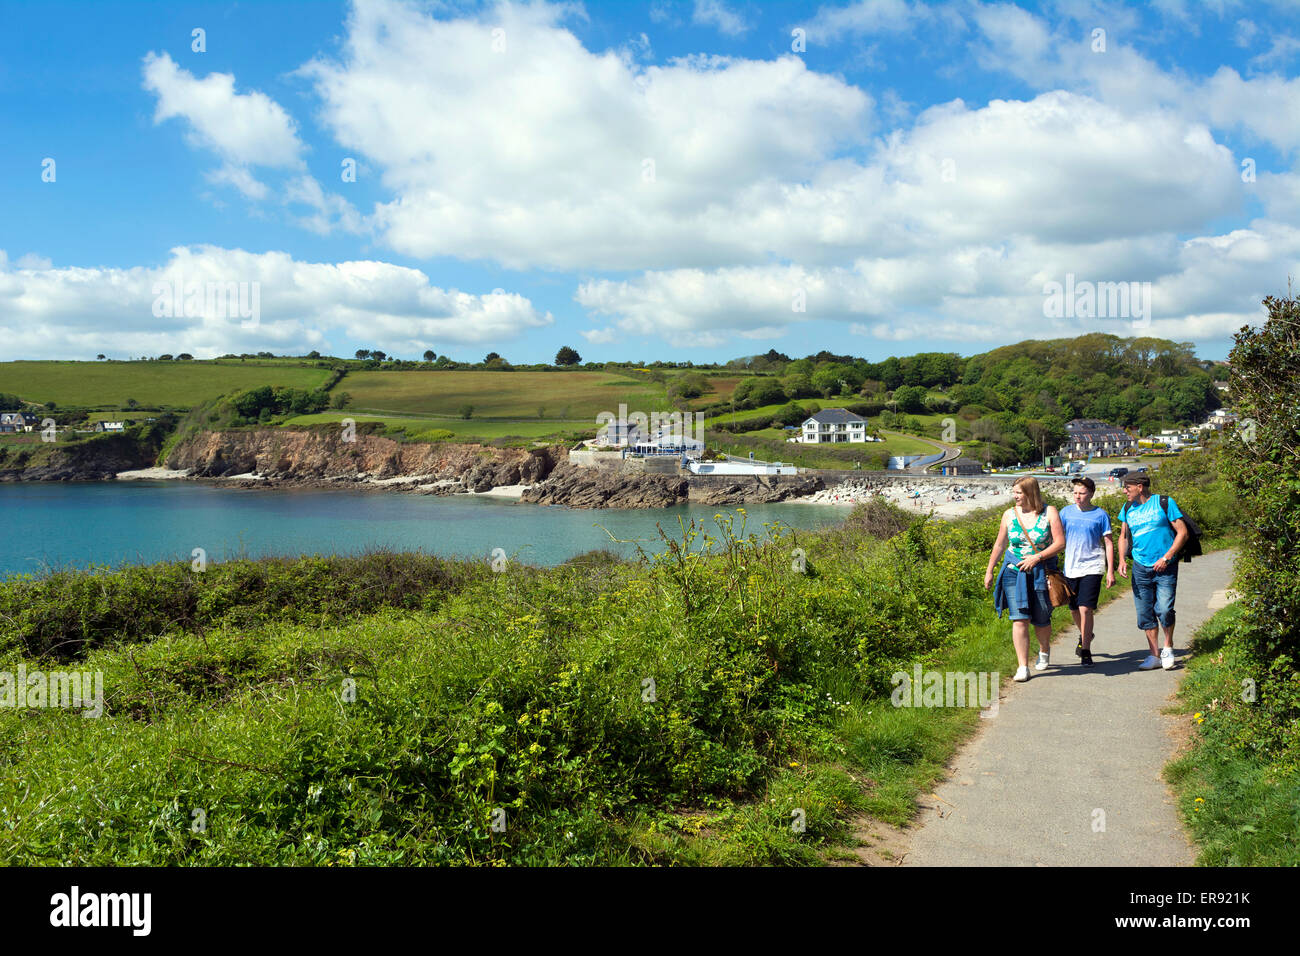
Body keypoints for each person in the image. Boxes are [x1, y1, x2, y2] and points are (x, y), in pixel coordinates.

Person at [984, 476, 1066, 682]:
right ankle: (1022, 666)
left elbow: (1060, 542)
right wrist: (990, 570)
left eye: (1018, 493)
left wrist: (1037, 557)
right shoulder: (1009, 515)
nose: (1015, 496)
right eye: (1014, 492)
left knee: (1041, 618)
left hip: (1041, 572)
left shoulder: (1050, 512)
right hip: (1013, 572)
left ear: (1030, 493)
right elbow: (1000, 545)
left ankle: (1044, 650)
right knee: (1019, 618)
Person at [1117, 473, 1189, 671]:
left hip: (1165, 566)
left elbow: (1182, 532)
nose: (1124, 491)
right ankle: (1154, 655)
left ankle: (1167, 647)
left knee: (1165, 609)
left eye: (1127, 487)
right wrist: (1122, 559)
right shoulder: (1127, 508)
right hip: (1140, 567)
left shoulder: (1164, 502)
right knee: (1144, 613)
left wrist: (1166, 558)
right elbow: (1123, 536)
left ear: (1140, 487)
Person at [1059, 476, 1115, 667]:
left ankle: (1086, 650)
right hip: (1071, 567)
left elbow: (1108, 543)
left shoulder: (1100, 515)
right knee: (1074, 608)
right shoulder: (1065, 513)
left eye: (1082, 493)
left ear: (1091, 493)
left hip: (1093, 565)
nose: (1078, 496)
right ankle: (1086, 634)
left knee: (1085, 608)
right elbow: (1056, 539)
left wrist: (1110, 571)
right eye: (1075, 493)